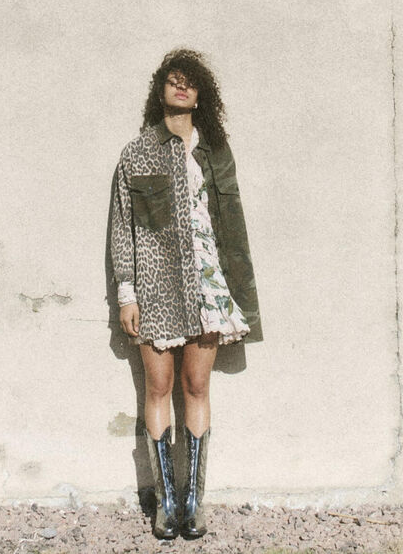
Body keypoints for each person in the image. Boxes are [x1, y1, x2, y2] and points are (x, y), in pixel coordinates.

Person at [110, 48, 262, 540]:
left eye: (190, 82)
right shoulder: (136, 152)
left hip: (206, 285)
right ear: (161, 91)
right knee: (156, 389)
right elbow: (123, 228)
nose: (181, 87)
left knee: (196, 388)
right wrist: (127, 293)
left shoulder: (214, 151)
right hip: (154, 289)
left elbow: (231, 225)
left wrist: (239, 291)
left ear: (200, 95)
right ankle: (165, 502)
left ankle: (193, 502)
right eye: (173, 81)